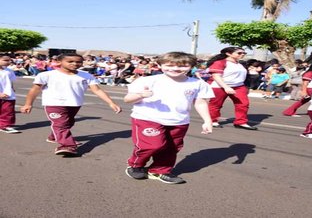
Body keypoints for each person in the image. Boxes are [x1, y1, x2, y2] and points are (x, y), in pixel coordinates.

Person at [124, 51, 214, 184]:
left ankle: (159, 171)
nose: (176, 69)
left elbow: (200, 102)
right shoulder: (147, 80)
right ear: (160, 65)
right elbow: (127, 99)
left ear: (191, 66)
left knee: (172, 148)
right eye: (169, 65)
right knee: (152, 145)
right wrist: (141, 95)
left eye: (183, 66)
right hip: (147, 118)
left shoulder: (198, 84)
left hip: (179, 121)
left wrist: (207, 120)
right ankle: (136, 165)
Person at [20, 53, 122, 156]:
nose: (75, 64)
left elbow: (97, 90)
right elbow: (35, 90)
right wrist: (28, 104)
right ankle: (67, 146)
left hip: (74, 104)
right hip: (54, 104)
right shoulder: (46, 75)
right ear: (59, 62)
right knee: (61, 124)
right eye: (70, 61)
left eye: (78, 62)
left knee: (68, 123)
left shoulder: (86, 75)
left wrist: (111, 103)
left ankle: (54, 137)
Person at [206, 47, 257, 130]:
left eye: (244, 53)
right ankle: (212, 121)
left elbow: (245, 77)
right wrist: (225, 87)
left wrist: (246, 88)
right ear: (228, 53)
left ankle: (241, 122)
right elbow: (216, 76)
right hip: (219, 86)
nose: (242, 54)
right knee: (215, 105)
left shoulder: (240, 64)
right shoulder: (220, 62)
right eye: (239, 53)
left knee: (243, 104)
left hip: (238, 86)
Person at [0, 55, 20, 134]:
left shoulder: (9, 71)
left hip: (8, 95)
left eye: (9, 61)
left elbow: (10, 81)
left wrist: (11, 88)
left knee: (8, 111)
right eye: (5, 60)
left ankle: (5, 126)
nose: (8, 62)